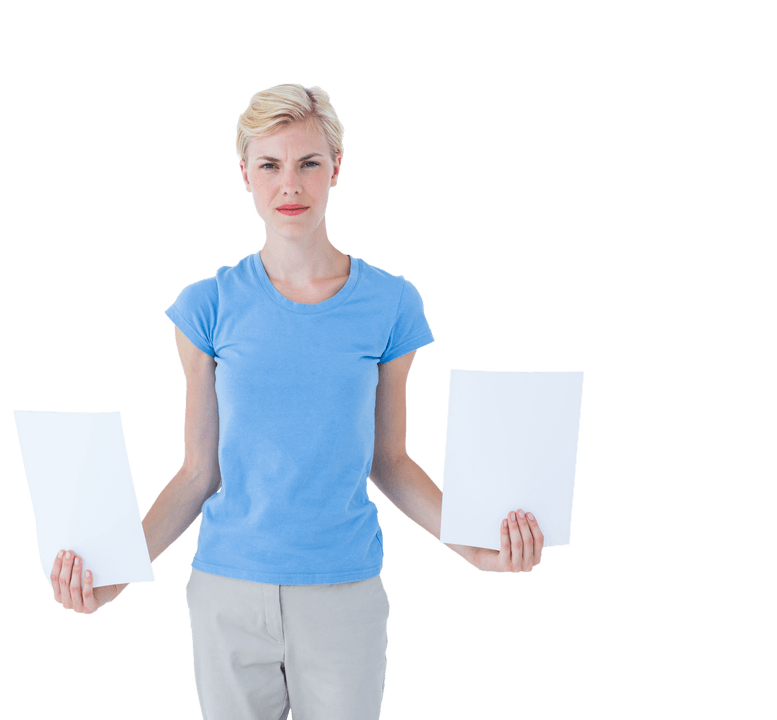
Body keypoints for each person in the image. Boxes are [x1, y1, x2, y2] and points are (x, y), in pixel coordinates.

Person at [50, 83, 545, 719]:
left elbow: (390, 460)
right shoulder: (208, 306)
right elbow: (199, 472)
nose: (290, 184)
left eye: (308, 163)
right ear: (245, 174)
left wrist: (473, 545)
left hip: (344, 593)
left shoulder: (390, 304)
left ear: (336, 167)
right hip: (228, 593)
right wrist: (115, 575)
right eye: (270, 165)